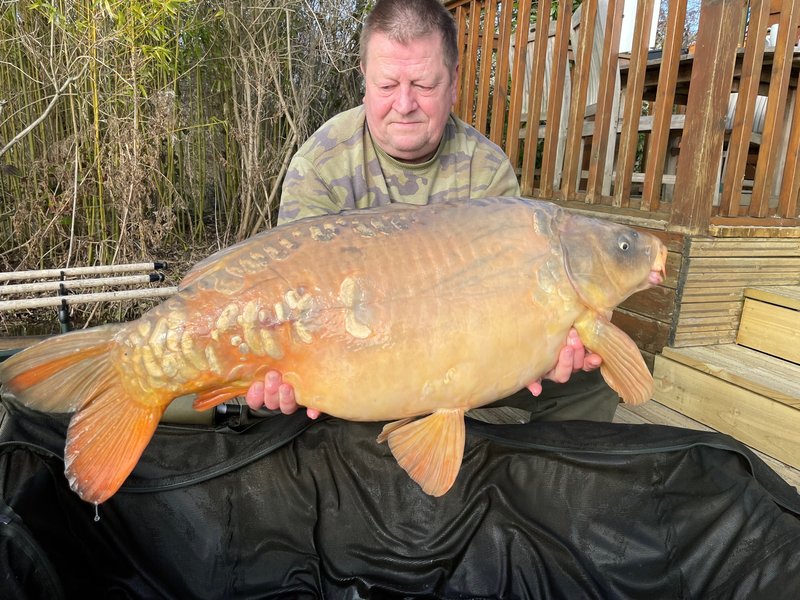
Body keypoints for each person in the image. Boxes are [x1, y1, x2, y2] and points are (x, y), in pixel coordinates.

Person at [245, 0, 618, 422]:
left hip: (464, 359)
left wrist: (542, 350)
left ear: (453, 83)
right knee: (275, 407)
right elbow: (292, 304)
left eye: (423, 85)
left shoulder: (486, 170)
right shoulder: (320, 166)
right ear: (364, 81)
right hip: (356, 364)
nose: (404, 104)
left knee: (592, 381)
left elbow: (518, 303)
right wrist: (278, 369)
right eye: (387, 85)